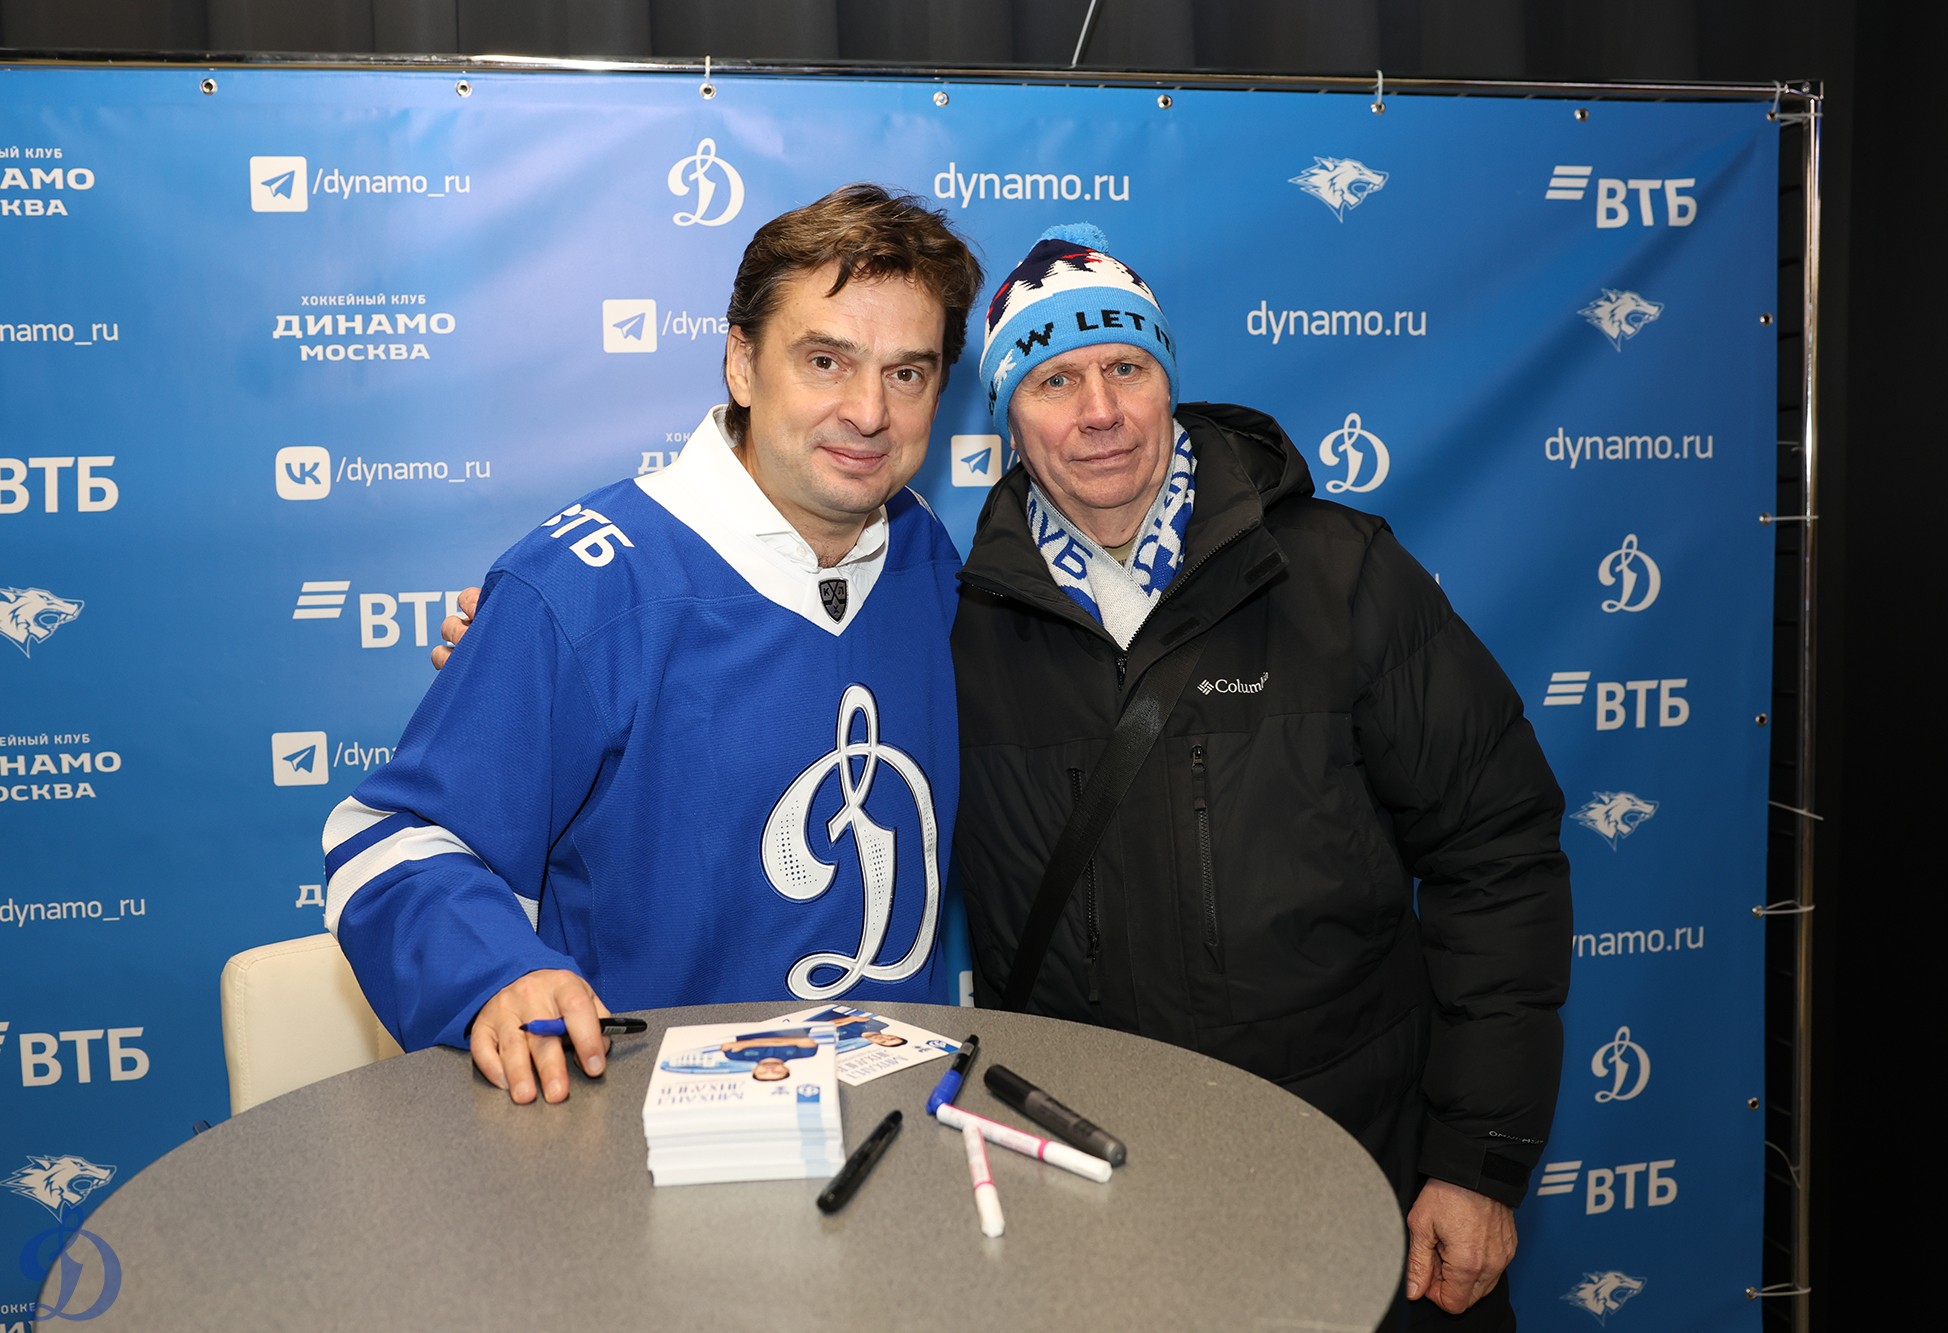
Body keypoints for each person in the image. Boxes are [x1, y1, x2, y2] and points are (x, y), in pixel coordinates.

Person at [949, 225, 1572, 1328]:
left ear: (1167, 381)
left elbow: (1497, 852)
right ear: (1008, 415)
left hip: (1356, 1170)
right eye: (1053, 380)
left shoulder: (1338, 574)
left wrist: (1476, 1159)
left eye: (1125, 367)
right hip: (1087, 1194)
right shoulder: (958, 625)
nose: (1099, 411)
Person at [321, 184, 985, 1108]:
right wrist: (496, 971)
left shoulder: (925, 557)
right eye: (825, 360)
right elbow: (390, 838)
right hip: (650, 1138)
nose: (869, 411)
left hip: (896, 1114)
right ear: (742, 363)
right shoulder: (583, 585)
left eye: (907, 373)